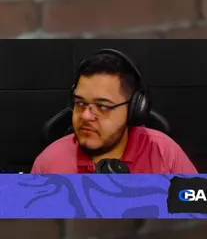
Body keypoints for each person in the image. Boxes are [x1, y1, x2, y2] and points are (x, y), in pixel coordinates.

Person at [30, 50, 197, 174]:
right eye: (80, 103)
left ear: (133, 109)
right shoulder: (49, 164)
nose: (86, 116)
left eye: (103, 106)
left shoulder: (165, 154)